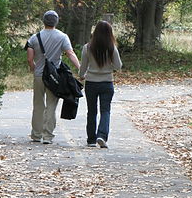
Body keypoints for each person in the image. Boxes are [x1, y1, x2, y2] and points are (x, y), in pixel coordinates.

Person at [26, 10, 80, 144]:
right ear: (56, 22)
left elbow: (30, 59)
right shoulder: (62, 37)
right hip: (54, 77)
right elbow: (70, 53)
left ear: (43, 21)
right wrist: (80, 68)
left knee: (38, 105)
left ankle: (36, 134)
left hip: (39, 75)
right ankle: (48, 136)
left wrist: (34, 68)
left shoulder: (34, 38)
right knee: (51, 105)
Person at [79, 20, 122, 148]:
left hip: (91, 83)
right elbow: (118, 66)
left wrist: (82, 76)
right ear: (110, 33)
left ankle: (91, 139)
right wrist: (110, 68)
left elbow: (83, 67)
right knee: (105, 110)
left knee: (91, 111)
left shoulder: (87, 47)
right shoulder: (111, 48)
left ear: (95, 32)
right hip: (107, 83)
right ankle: (102, 136)